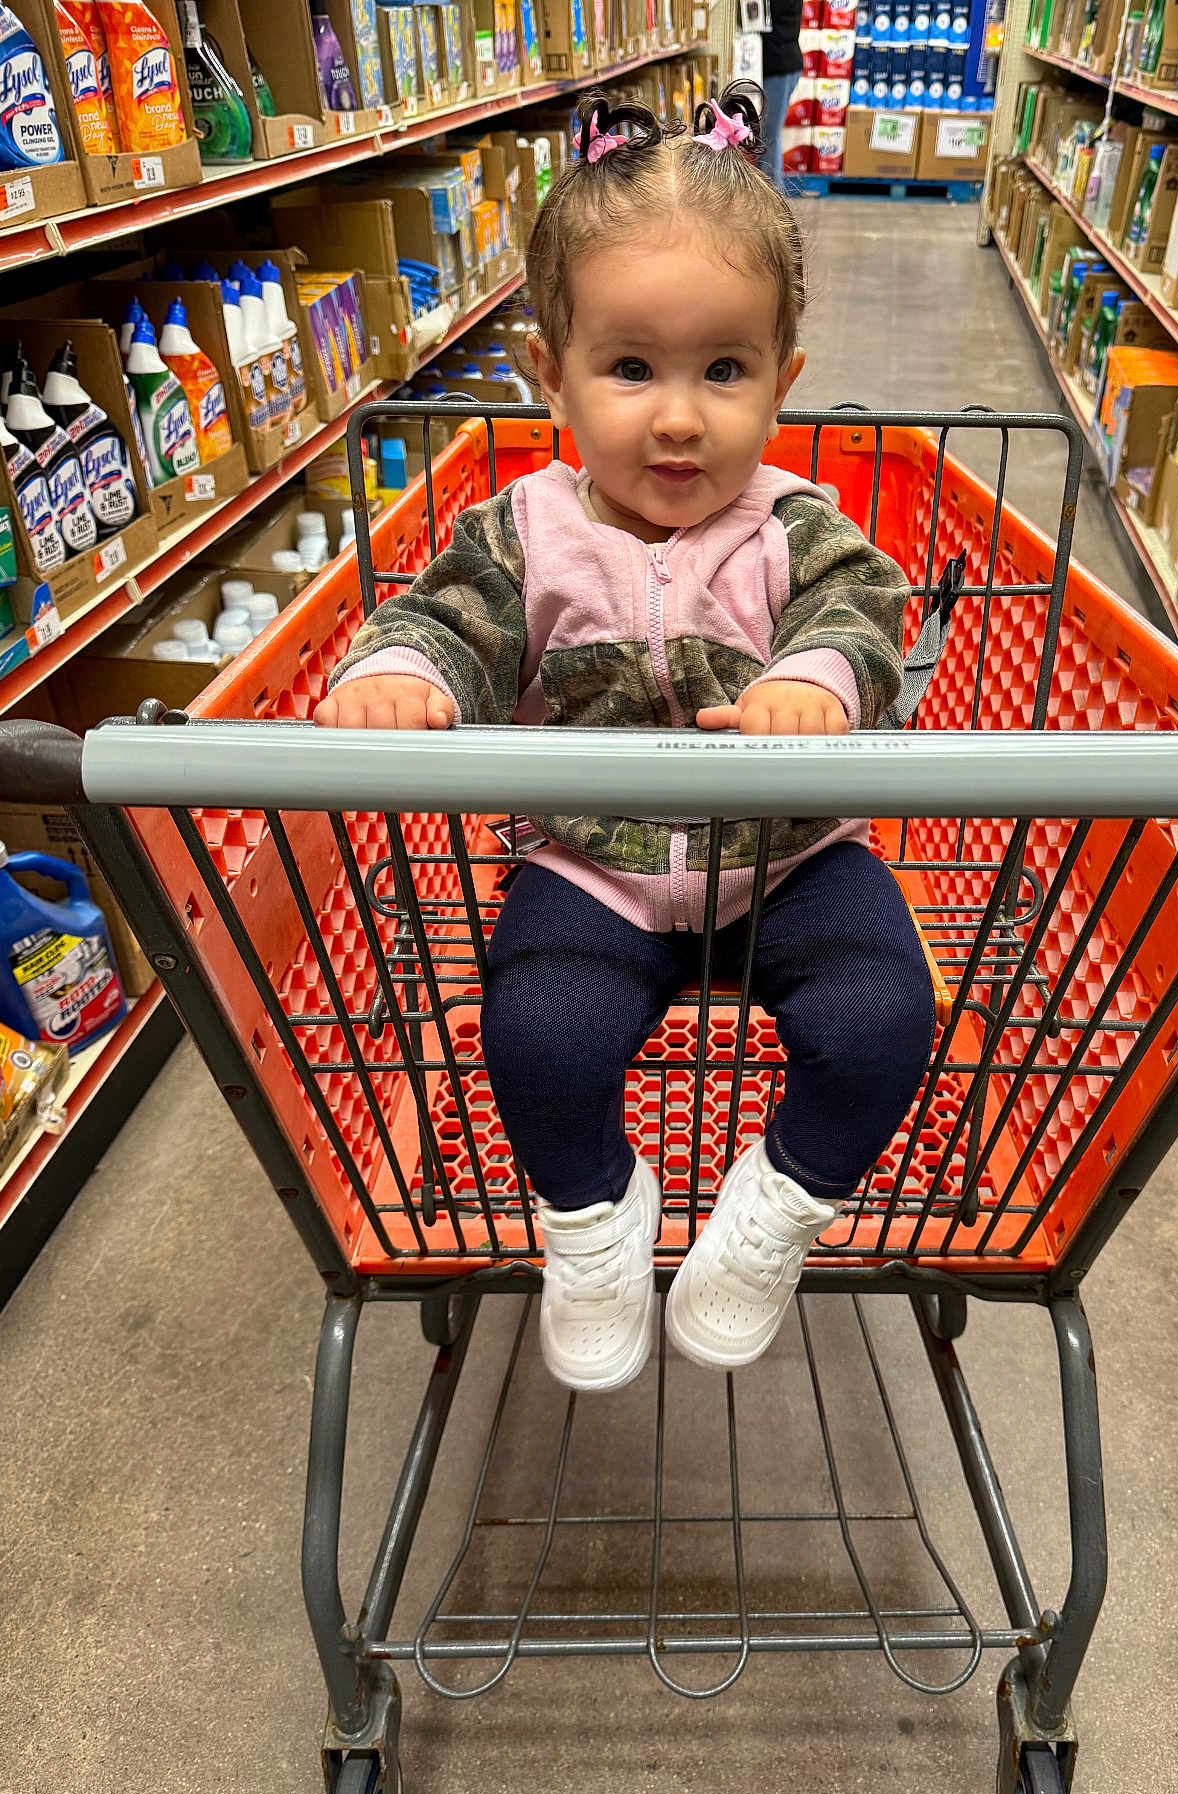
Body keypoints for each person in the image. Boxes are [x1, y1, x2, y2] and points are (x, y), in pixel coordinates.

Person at [313, 82, 935, 1395]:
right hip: (593, 864)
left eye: (725, 370)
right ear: (553, 377)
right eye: (631, 368)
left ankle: (780, 1203)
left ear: (784, 383)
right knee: (536, 1039)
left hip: (788, 856)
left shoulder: (795, 527)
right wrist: (401, 673)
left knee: (886, 1018)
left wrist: (816, 679)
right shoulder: (519, 534)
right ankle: (594, 1216)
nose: (679, 417)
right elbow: (446, 621)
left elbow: (864, 609)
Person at [760, 0, 804, 190]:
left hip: (779, 67)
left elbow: (767, 14)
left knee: (769, 135)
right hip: (779, 65)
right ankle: (764, 190)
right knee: (766, 134)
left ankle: (772, 195)